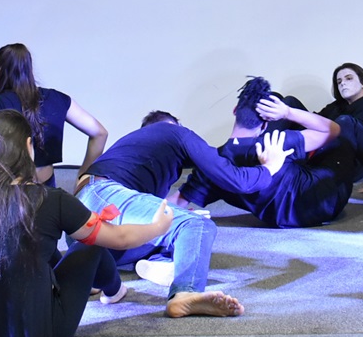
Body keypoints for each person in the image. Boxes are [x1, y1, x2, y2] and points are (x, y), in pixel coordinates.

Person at [0, 110, 176, 337]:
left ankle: (103, 289)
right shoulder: (49, 199)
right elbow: (119, 237)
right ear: (28, 146)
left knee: (36, 248)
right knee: (89, 245)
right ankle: (114, 291)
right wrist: (157, 227)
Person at [75, 109, 288, 317]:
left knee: (168, 230)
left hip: (88, 232)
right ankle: (186, 292)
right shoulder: (175, 132)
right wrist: (270, 167)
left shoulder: (133, 152)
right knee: (196, 225)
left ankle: (136, 268)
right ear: (175, 125)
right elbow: (235, 179)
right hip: (101, 196)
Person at [179, 78, 363, 228]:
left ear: (235, 110)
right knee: (348, 123)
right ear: (267, 121)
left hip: (277, 216)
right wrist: (287, 112)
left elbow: (175, 202)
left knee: (290, 105)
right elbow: (333, 130)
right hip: (323, 205)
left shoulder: (212, 163)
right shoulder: (276, 142)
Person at [0, 43, 108, 185]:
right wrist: (83, 178)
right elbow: (100, 133)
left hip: (10, 190)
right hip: (48, 189)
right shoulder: (57, 98)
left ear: (0, 69)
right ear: (29, 68)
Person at [318, 63, 363, 142]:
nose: (342, 83)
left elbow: (354, 137)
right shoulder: (334, 107)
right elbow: (313, 121)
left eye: (349, 78)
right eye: (339, 82)